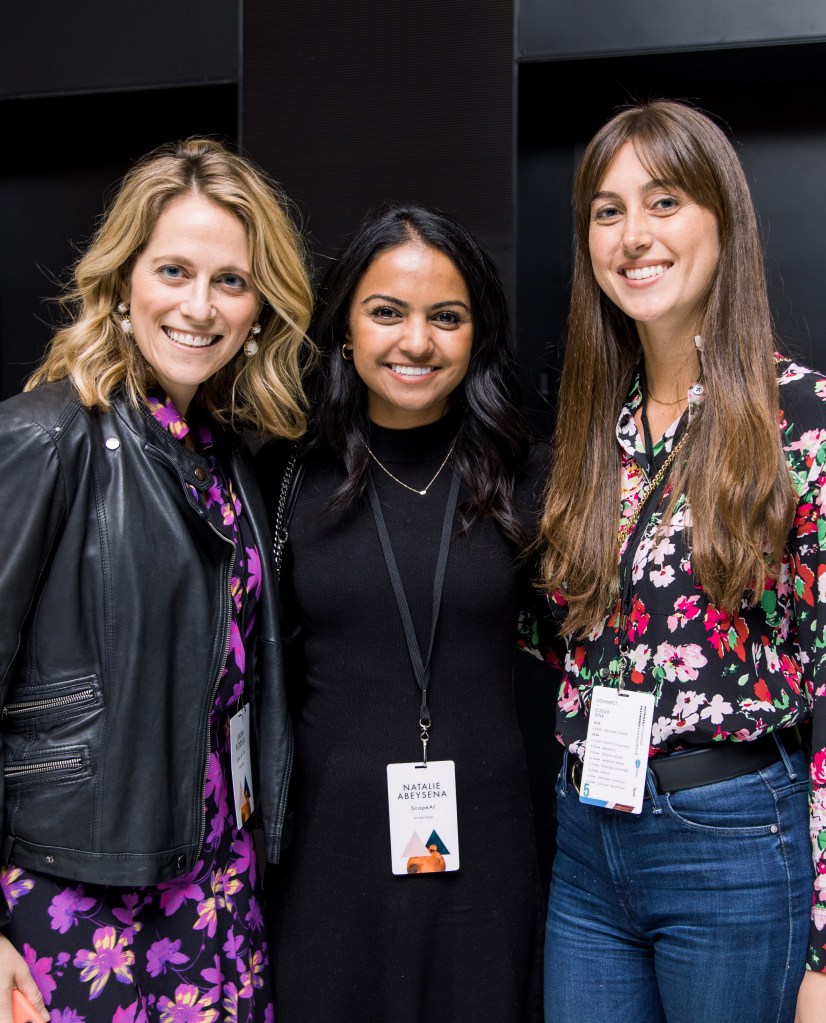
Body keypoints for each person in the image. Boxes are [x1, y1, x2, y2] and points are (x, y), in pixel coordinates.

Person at [0, 136, 314, 1022]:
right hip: (77, 895)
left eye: (231, 281)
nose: (199, 306)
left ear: (260, 306)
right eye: (174, 270)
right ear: (122, 279)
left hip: (218, 883)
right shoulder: (45, 436)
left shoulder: (226, 457)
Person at [534, 98, 826, 1022]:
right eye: (608, 210)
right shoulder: (590, 426)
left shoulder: (804, 424)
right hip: (586, 841)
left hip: (734, 841)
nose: (632, 234)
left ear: (722, 220)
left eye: (663, 203)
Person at [255, 202, 548, 1022]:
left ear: (477, 333)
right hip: (324, 856)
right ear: (346, 325)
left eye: (445, 318)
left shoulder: (528, 476)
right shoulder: (284, 475)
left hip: (491, 852)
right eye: (387, 312)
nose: (416, 342)